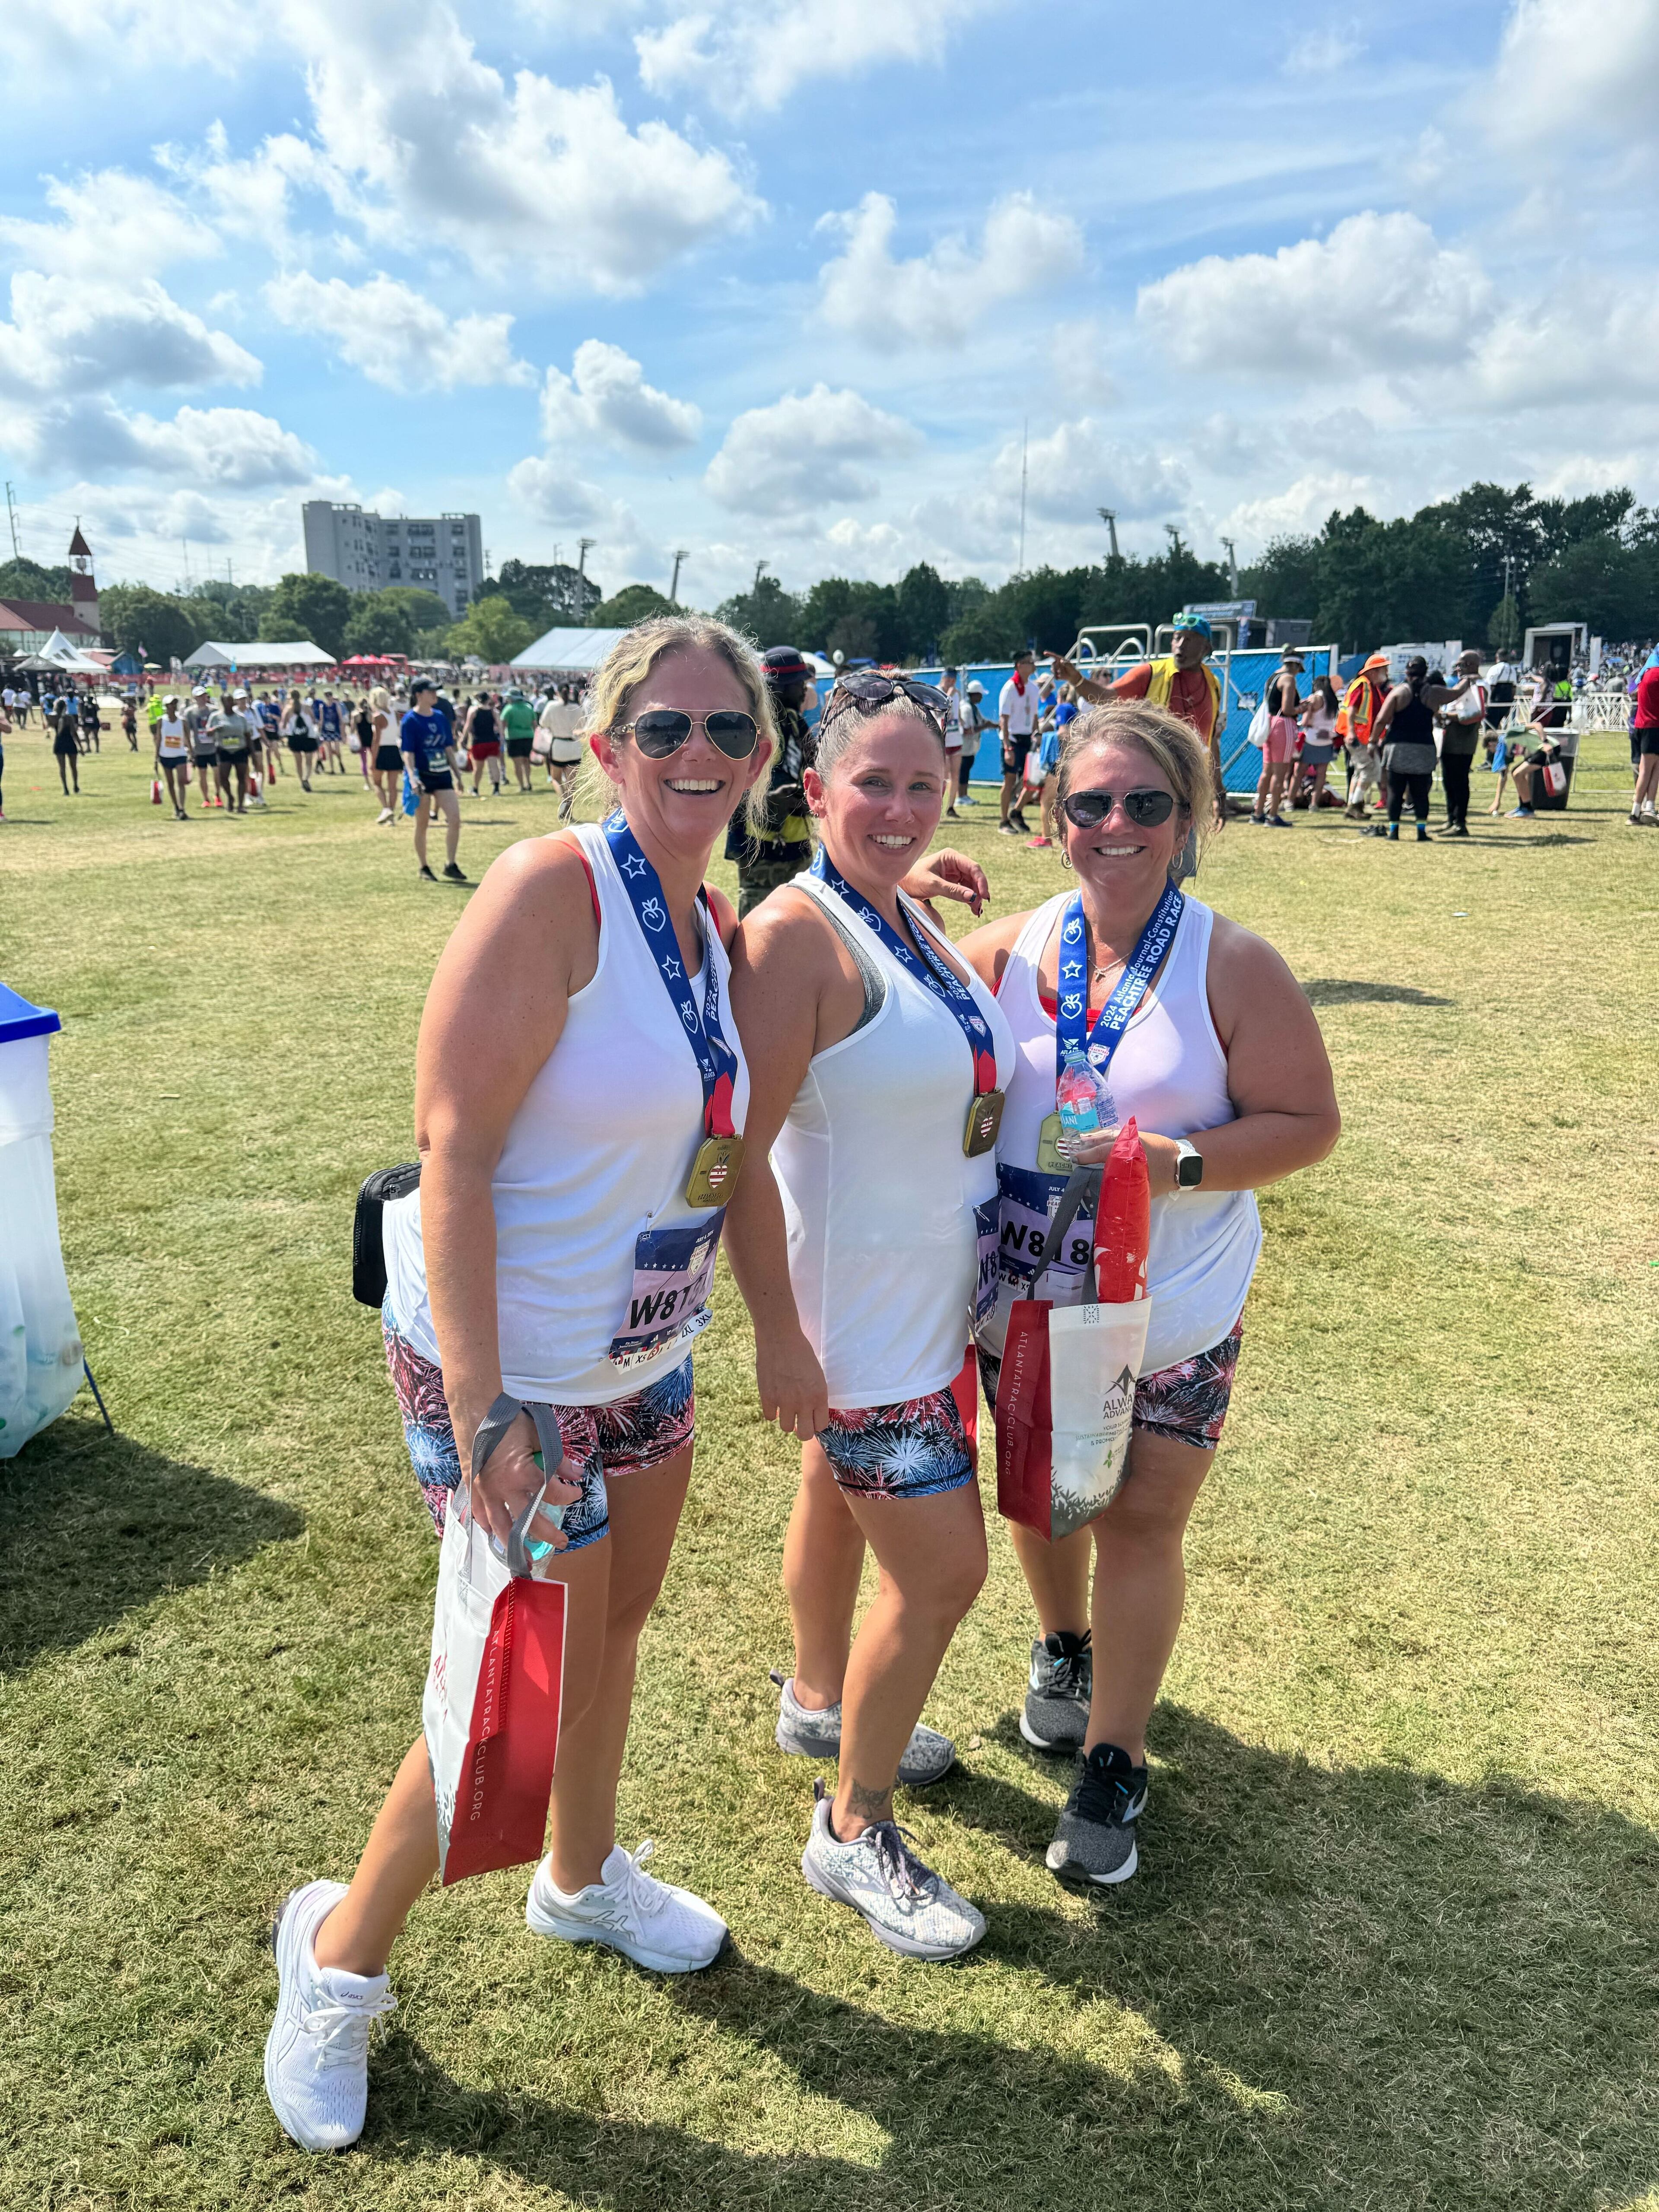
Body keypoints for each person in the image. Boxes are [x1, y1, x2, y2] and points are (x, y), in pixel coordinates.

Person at [262, 613, 787, 2158]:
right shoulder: (551, 890)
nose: (698, 754)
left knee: (611, 1628)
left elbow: (743, 1119)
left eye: (728, 732)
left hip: (646, 1350)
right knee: (503, 1684)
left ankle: (582, 1874)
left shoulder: (721, 932)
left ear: (761, 758)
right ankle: (337, 1961)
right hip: (512, 1367)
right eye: (666, 727)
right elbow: (457, 1150)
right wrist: (490, 1407)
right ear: (607, 743)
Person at [959, 698, 1339, 1886]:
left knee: (1138, 1519)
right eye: (1091, 803)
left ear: (1187, 820)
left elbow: (1309, 1122)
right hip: (1022, 1296)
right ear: (1054, 815)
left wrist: (1187, 1165)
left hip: (1172, 1304)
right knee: (1040, 1496)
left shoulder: (1231, 961)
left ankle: (1115, 1753)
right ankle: (1063, 1651)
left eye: (1146, 805)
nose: (1115, 824)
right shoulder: (1007, 950)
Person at [725, 671, 1016, 1960]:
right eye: (871, 785)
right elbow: (726, 1152)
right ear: (814, 792)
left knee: (829, 1510)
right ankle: (851, 1823)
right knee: (944, 1570)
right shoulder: (797, 938)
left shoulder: (887, 908)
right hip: (858, 1332)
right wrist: (777, 1332)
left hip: (921, 1300)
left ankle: (818, 1696)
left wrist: (905, 876)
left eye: (919, 785)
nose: (897, 806)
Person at [1050, 614, 1226, 821]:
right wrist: (1075, 678)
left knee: (1184, 850)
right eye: (1178, 638)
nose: (1181, 645)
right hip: (1152, 787)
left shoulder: (1213, 684)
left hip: (1191, 790)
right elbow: (1104, 698)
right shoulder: (1150, 673)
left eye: (1189, 639)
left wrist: (1219, 792)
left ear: (1206, 648)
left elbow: (1210, 742)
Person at [723, 645, 817, 917]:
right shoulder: (750, 728)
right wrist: (775, 799)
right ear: (780, 687)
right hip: (760, 849)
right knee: (757, 928)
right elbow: (737, 784)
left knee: (802, 923)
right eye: (799, 684)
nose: (804, 691)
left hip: (796, 846)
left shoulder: (794, 722)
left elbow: (810, 765)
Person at [1370, 656, 1478, 841]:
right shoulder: (1434, 693)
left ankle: (1394, 831)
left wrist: (1373, 742)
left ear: (1406, 673)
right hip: (1424, 747)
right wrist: (1469, 679)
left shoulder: (1398, 693)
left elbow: (1381, 720)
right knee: (1420, 792)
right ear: (1425, 672)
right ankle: (1421, 832)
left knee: (1396, 791)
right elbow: (1455, 693)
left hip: (1398, 747)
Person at [402, 677, 466, 883]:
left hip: (442, 775)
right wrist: (412, 778)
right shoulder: (410, 720)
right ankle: (424, 867)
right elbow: (408, 753)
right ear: (418, 695)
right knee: (423, 824)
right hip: (423, 778)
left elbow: (448, 748)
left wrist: (458, 775)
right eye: (430, 692)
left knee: (455, 819)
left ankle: (451, 864)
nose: (435, 695)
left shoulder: (439, 717)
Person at [1434, 649, 1486, 837]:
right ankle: (1451, 819)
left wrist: (1447, 716)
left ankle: (1460, 823)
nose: (1458, 669)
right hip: (1450, 740)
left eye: (1461, 665)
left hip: (1463, 743)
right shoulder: (1465, 683)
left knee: (1459, 783)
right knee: (1449, 782)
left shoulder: (1478, 685)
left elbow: (1475, 714)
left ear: (1471, 665)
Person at [1252, 648, 1302, 826]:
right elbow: (1288, 709)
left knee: (1266, 773)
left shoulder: (1272, 678)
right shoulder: (1289, 679)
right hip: (1283, 725)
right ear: (1295, 665)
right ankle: (1273, 815)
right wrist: (1303, 708)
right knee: (1280, 774)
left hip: (1269, 723)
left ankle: (1258, 813)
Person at [1338, 653, 1390, 817]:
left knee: (1362, 771)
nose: (1387, 673)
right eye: (1384, 669)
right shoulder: (1362, 685)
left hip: (1363, 737)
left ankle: (1354, 806)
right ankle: (1354, 806)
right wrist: (1352, 732)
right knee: (1370, 769)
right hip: (1357, 737)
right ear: (1374, 671)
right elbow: (1352, 709)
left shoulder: (1370, 686)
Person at [998, 648, 1041, 835]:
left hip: (1027, 740)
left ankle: (1017, 812)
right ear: (1019, 666)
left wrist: (1036, 736)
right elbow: (1004, 719)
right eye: (1029, 662)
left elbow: (1035, 716)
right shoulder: (1010, 687)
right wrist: (1007, 747)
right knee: (1009, 781)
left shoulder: (1033, 688)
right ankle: (1004, 820)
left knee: (1032, 780)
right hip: (1013, 739)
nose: (1033, 665)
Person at [537, 683, 586, 817]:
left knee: (556, 778)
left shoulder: (552, 707)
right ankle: (569, 810)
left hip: (559, 745)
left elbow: (543, 723)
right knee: (572, 784)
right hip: (574, 747)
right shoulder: (576, 708)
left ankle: (563, 800)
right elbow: (582, 725)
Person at [1292, 675, 1340, 810]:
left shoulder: (1315, 698)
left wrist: (1301, 722)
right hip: (1327, 739)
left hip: (1312, 738)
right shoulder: (1333, 700)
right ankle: (1314, 804)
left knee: (1299, 772)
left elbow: (1306, 721)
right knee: (1322, 774)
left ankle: (1290, 801)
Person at [212, 688, 256, 814]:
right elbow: (209, 731)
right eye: (226, 702)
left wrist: (253, 754)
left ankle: (241, 805)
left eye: (230, 701)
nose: (228, 704)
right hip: (224, 751)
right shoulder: (216, 717)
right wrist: (214, 729)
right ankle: (230, 797)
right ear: (222, 703)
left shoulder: (241, 718)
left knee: (242, 778)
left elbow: (248, 735)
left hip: (240, 750)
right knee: (223, 778)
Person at [1630, 648, 1659, 824]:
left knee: (1652, 770)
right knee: (1648, 771)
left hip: (1643, 724)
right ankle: (1636, 811)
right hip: (1654, 725)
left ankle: (1649, 807)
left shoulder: (1646, 674)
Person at [366, 686, 402, 822]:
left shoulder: (378, 716)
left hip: (382, 750)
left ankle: (386, 809)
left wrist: (373, 760)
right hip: (394, 749)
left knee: (377, 783)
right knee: (393, 787)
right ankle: (391, 813)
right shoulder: (395, 714)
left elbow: (377, 740)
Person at [154, 696, 191, 819]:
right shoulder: (161, 721)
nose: (173, 706)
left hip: (180, 754)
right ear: (166, 706)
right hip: (166, 755)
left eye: (175, 704)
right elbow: (159, 739)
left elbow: (188, 739)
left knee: (181, 782)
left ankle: (182, 808)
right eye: (171, 704)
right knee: (170, 783)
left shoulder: (183, 721)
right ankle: (176, 806)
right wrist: (156, 757)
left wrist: (192, 752)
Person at [957, 679, 991, 806]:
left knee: (966, 770)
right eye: (981, 694)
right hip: (964, 748)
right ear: (975, 694)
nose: (982, 697)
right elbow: (967, 730)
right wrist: (986, 727)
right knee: (963, 772)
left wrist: (994, 725)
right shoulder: (966, 709)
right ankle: (961, 796)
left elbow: (983, 722)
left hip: (970, 748)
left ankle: (964, 795)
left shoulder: (974, 708)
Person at [463, 691, 503, 797]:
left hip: (478, 742)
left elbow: (468, 726)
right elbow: (500, 726)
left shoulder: (474, 711)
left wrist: (463, 739)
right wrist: (502, 739)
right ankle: (496, 789)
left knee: (478, 768)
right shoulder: (494, 712)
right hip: (492, 741)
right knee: (494, 765)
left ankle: (476, 789)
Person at [501, 686, 537, 793]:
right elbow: (535, 723)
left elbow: (503, 724)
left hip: (514, 737)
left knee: (517, 763)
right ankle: (529, 782)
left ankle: (522, 786)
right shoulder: (528, 707)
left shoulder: (509, 709)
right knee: (527, 762)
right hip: (529, 736)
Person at [939, 667, 963, 817]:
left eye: (953, 680)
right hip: (943, 740)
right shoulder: (937, 692)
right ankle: (939, 805)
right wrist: (948, 696)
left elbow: (958, 714)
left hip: (956, 738)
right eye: (948, 680)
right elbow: (939, 712)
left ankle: (951, 807)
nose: (951, 683)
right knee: (943, 776)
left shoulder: (957, 694)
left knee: (955, 776)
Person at [53, 694, 83, 794]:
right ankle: (75, 786)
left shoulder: (53, 718)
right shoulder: (69, 718)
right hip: (69, 742)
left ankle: (66, 788)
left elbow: (56, 730)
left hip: (59, 742)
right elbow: (74, 733)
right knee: (73, 767)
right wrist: (81, 746)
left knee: (62, 767)